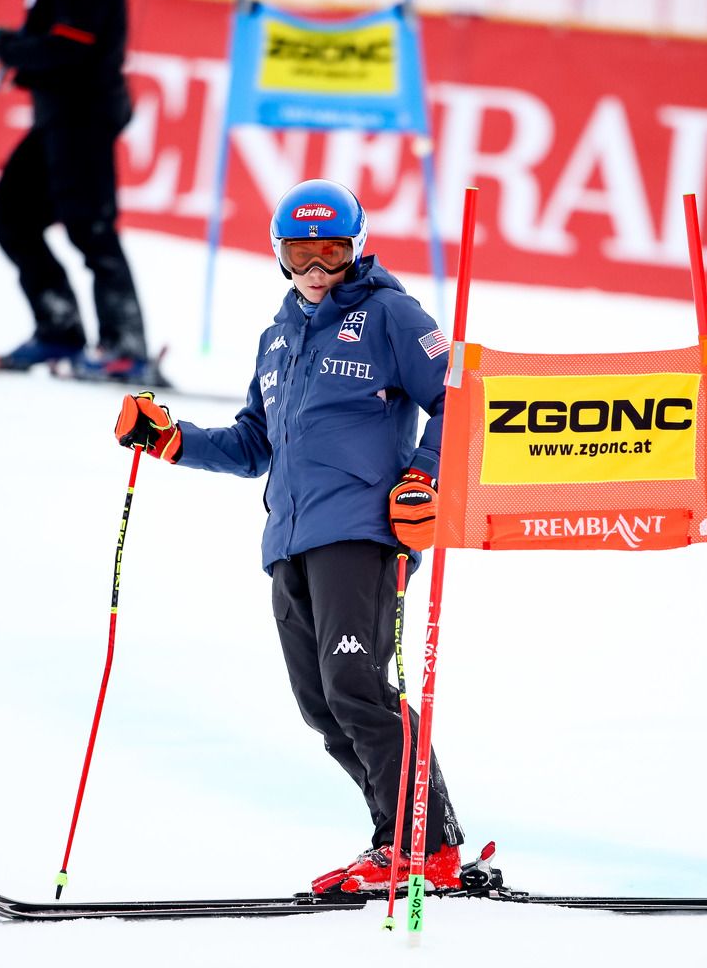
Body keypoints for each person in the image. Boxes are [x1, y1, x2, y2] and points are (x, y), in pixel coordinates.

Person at [112, 179, 466, 892]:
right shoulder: (277, 338)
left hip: (363, 533)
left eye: (331, 253)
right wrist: (172, 440)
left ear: (356, 249)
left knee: (356, 687)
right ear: (278, 254)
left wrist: (423, 477)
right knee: (324, 705)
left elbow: (461, 397)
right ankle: (395, 841)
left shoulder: (391, 315)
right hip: (290, 543)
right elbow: (253, 443)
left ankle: (428, 847)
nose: (314, 270)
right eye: (299, 253)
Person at [0, 0, 158, 384]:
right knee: (14, 217)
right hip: (58, 117)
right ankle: (59, 329)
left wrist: (11, 47)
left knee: (91, 229)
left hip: (83, 117)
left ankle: (125, 347)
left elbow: (71, 43)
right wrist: (18, 48)